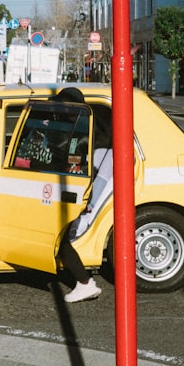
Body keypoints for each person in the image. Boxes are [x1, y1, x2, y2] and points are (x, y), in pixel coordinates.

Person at [53, 88, 113, 303]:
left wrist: (89, 200)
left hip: (79, 192)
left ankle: (85, 283)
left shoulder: (87, 133)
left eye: (62, 107)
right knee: (59, 237)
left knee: (60, 238)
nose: (58, 112)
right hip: (76, 190)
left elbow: (91, 170)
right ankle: (84, 282)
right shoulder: (84, 127)